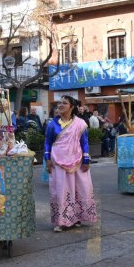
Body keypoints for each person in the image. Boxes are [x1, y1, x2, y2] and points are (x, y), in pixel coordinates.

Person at [45, 95, 97, 232]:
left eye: (64, 103)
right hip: (58, 161)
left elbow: (84, 142)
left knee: (80, 189)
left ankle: (77, 217)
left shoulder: (80, 124)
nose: (60, 105)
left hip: (77, 161)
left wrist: (86, 160)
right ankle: (62, 221)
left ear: (71, 107)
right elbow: (47, 142)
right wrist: (47, 159)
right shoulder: (52, 124)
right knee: (61, 190)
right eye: (59, 103)